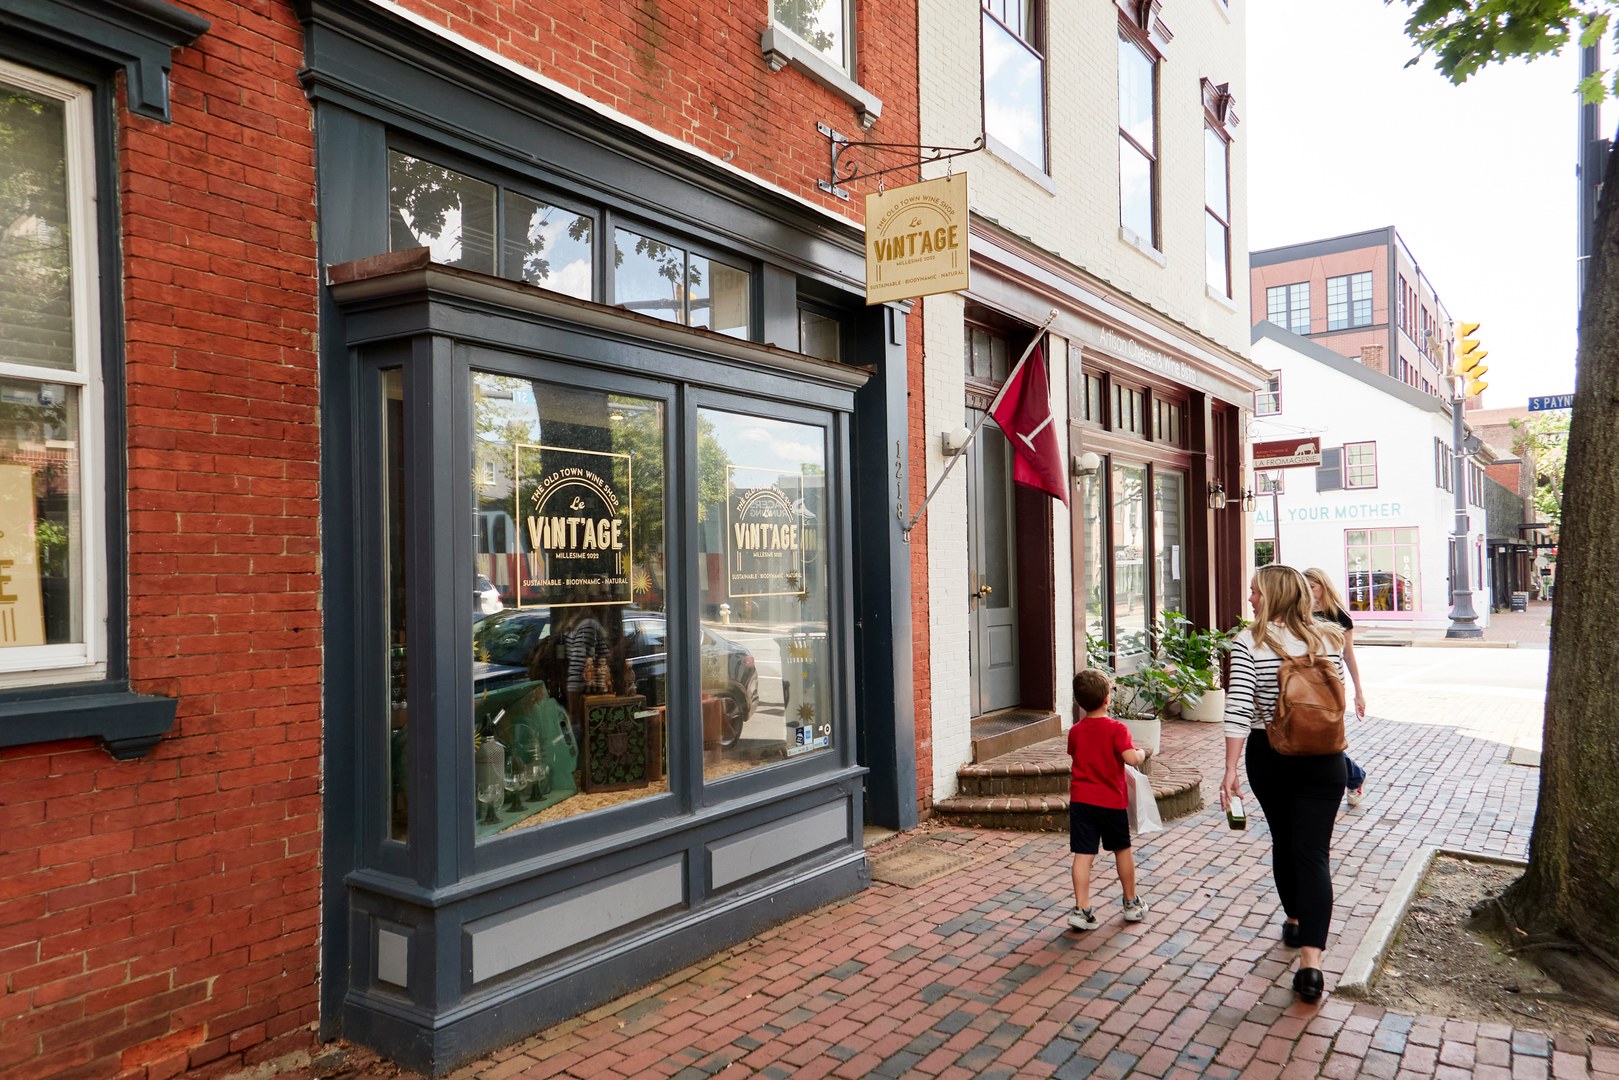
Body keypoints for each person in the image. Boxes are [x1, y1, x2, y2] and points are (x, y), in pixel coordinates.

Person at [1220, 564, 1348, 1004]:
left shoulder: (1248, 642)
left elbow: (1239, 709)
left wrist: (1230, 770)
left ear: (1271, 596)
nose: (1250, 598)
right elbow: (1335, 702)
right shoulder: (1329, 637)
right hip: (1326, 759)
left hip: (1270, 756)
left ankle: (1295, 918)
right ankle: (1311, 963)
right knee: (1313, 855)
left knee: (1283, 841)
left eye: (1254, 591)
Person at [1066, 668, 1151, 931]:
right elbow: (1130, 759)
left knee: (1083, 855)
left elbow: (1076, 756)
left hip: (1081, 802)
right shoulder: (1117, 729)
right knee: (1122, 850)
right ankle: (1130, 903)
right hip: (1111, 802)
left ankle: (1082, 908)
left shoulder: (1076, 732)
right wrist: (1142, 752)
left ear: (1080, 701)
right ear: (1107, 699)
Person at [1304, 567, 1369, 807]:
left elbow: (1349, 656)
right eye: (1305, 587)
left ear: (1323, 586)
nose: (1308, 592)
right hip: (1303, 686)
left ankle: (1354, 776)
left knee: (1326, 740)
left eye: (1312, 587)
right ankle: (1349, 777)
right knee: (1306, 736)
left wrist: (1358, 693)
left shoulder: (1339, 616)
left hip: (1330, 687)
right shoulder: (1299, 613)